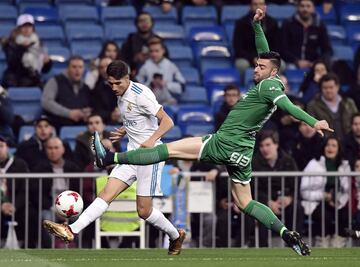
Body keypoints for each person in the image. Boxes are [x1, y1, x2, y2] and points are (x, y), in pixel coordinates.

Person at [91, 8, 334, 256]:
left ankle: (111, 158)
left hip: (225, 142)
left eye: (260, 67)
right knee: (246, 202)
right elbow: (264, 52)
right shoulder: (269, 79)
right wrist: (257, 26)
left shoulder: (270, 85)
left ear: (272, 72)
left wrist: (313, 122)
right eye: (256, 65)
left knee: (167, 149)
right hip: (243, 151)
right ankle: (286, 233)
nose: (255, 69)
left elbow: (288, 106)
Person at [43, 60, 186, 255]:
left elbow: (167, 122)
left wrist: (151, 140)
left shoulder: (141, 95)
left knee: (143, 211)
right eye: (110, 83)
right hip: (130, 155)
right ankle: (70, 230)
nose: (114, 87)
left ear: (128, 78)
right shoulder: (120, 95)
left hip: (149, 157)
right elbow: (139, 121)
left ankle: (176, 236)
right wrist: (125, 131)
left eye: (118, 83)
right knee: (105, 195)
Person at [252, 130, 304, 247]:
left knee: (297, 208)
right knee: (260, 211)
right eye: (261, 146)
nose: (264, 149)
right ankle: (262, 249)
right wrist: (268, 202)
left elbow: (296, 184)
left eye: (268, 145)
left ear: (276, 145)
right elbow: (254, 188)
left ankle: (294, 244)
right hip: (265, 202)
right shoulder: (254, 163)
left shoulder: (288, 161)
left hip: (285, 202)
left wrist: (289, 198)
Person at [300, 136, 350, 247]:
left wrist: (338, 200)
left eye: (334, 145)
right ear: (323, 147)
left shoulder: (344, 166)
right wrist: (323, 196)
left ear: (338, 149)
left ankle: (339, 243)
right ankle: (322, 243)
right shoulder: (313, 164)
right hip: (317, 202)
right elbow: (303, 191)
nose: (330, 148)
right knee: (324, 215)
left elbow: (347, 191)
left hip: (338, 202)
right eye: (328, 145)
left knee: (345, 214)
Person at [32, 137, 81, 248]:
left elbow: (78, 191)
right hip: (49, 207)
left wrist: (68, 209)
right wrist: (53, 208)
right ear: (45, 150)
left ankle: (76, 247)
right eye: (50, 148)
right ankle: (52, 249)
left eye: (56, 148)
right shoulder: (39, 168)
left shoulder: (73, 168)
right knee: (46, 217)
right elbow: (37, 194)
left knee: (79, 217)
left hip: (71, 208)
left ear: (63, 149)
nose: (53, 151)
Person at [233, 0, 282, 81]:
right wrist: (252, 58)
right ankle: (242, 86)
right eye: (255, 4)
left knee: (281, 64)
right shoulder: (241, 23)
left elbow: (277, 46)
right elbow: (237, 47)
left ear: (265, 7)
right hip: (247, 58)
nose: (258, 6)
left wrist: (268, 58)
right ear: (250, 6)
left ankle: (273, 86)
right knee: (241, 64)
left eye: (261, 4)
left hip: (268, 56)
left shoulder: (272, 23)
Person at [41, 56, 92, 130]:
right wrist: (68, 113)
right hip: (57, 126)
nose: (77, 70)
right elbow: (46, 102)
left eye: (80, 67)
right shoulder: (55, 81)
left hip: (81, 127)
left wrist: (84, 113)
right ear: (67, 68)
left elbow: (89, 106)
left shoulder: (85, 87)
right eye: (74, 67)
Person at [1, 14, 52, 88]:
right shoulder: (10, 43)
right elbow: (12, 63)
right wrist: (22, 48)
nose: (27, 29)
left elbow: (43, 69)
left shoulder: (37, 43)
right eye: (24, 26)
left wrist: (47, 63)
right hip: (14, 80)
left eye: (29, 26)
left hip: (32, 79)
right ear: (19, 28)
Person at [281, 0, 332, 69]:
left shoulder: (319, 25)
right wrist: (296, 61)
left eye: (308, 6)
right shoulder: (288, 24)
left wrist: (317, 62)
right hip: (291, 62)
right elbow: (282, 49)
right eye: (302, 6)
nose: (305, 9)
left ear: (313, 8)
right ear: (297, 7)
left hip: (313, 63)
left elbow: (327, 49)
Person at [307, 73, 358, 140]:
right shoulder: (313, 106)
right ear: (321, 89)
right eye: (325, 88)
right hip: (324, 143)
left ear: (337, 87)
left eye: (331, 87)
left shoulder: (349, 103)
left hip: (349, 143)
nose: (328, 90)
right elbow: (311, 126)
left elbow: (357, 121)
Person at [136, 38, 185, 102]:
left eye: (157, 51)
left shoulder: (171, 66)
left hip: (168, 102)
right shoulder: (144, 67)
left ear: (163, 51)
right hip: (149, 103)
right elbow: (136, 88)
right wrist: (150, 85)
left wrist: (166, 84)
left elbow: (182, 87)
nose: (154, 54)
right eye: (151, 51)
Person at [89, 57, 120, 124]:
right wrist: (110, 115)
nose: (104, 70)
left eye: (107, 66)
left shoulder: (129, 83)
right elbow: (96, 111)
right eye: (101, 67)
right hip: (108, 124)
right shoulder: (97, 89)